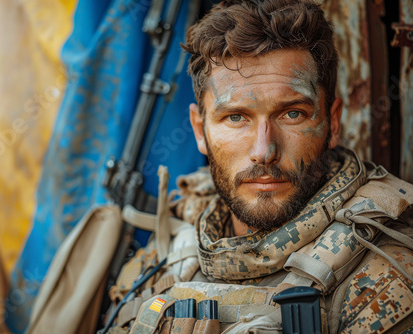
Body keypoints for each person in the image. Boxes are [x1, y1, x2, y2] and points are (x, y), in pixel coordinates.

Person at [27, 0, 413, 333]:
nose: (263, 151)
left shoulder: (385, 280)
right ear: (199, 129)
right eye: (236, 118)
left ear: (332, 122)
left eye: (292, 113)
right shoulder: (167, 249)